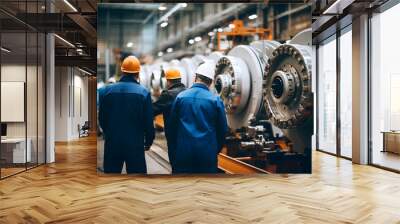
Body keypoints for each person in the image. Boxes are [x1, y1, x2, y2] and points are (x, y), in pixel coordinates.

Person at [167, 61, 228, 173]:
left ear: (195, 77)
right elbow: (223, 130)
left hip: (183, 152)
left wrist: (176, 149)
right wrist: (214, 149)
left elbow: (172, 127)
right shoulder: (215, 100)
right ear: (210, 82)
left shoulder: (181, 97)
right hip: (206, 154)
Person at [99, 55, 155, 174]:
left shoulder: (105, 91)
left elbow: (102, 119)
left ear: (122, 71)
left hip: (112, 143)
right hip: (135, 145)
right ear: (138, 73)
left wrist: (109, 133)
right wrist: (148, 141)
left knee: (111, 178)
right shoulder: (144, 93)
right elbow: (148, 122)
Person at [152, 68, 186, 138]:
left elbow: (154, 109)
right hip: (186, 131)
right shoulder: (187, 92)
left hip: (173, 132)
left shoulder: (168, 94)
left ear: (168, 82)